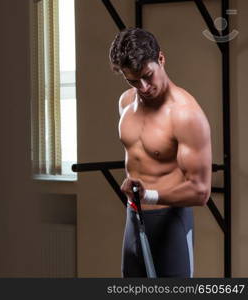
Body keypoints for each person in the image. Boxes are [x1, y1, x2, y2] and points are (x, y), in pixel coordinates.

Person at [109, 28, 212, 277]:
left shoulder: (185, 114)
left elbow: (200, 191)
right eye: (133, 81)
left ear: (161, 59)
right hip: (133, 219)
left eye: (147, 76)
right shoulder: (125, 103)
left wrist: (150, 195)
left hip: (170, 222)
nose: (142, 87)